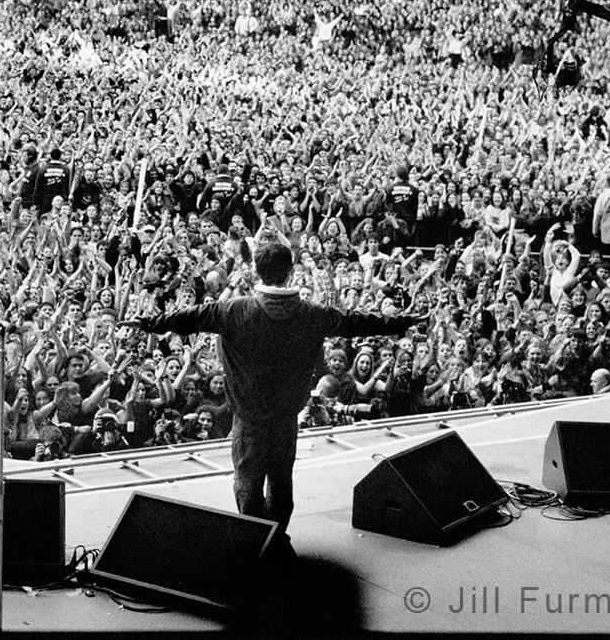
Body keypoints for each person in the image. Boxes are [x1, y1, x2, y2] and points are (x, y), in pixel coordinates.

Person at [123, 235, 422, 555]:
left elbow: (188, 318)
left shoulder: (232, 310)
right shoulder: (312, 313)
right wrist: (401, 322)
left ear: (256, 270)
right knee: (281, 483)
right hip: (285, 417)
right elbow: (355, 323)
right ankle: (276, 541)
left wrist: (148, 323)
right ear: (290, 271)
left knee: (247, 484)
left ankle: (256, 543)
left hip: (248, 418)